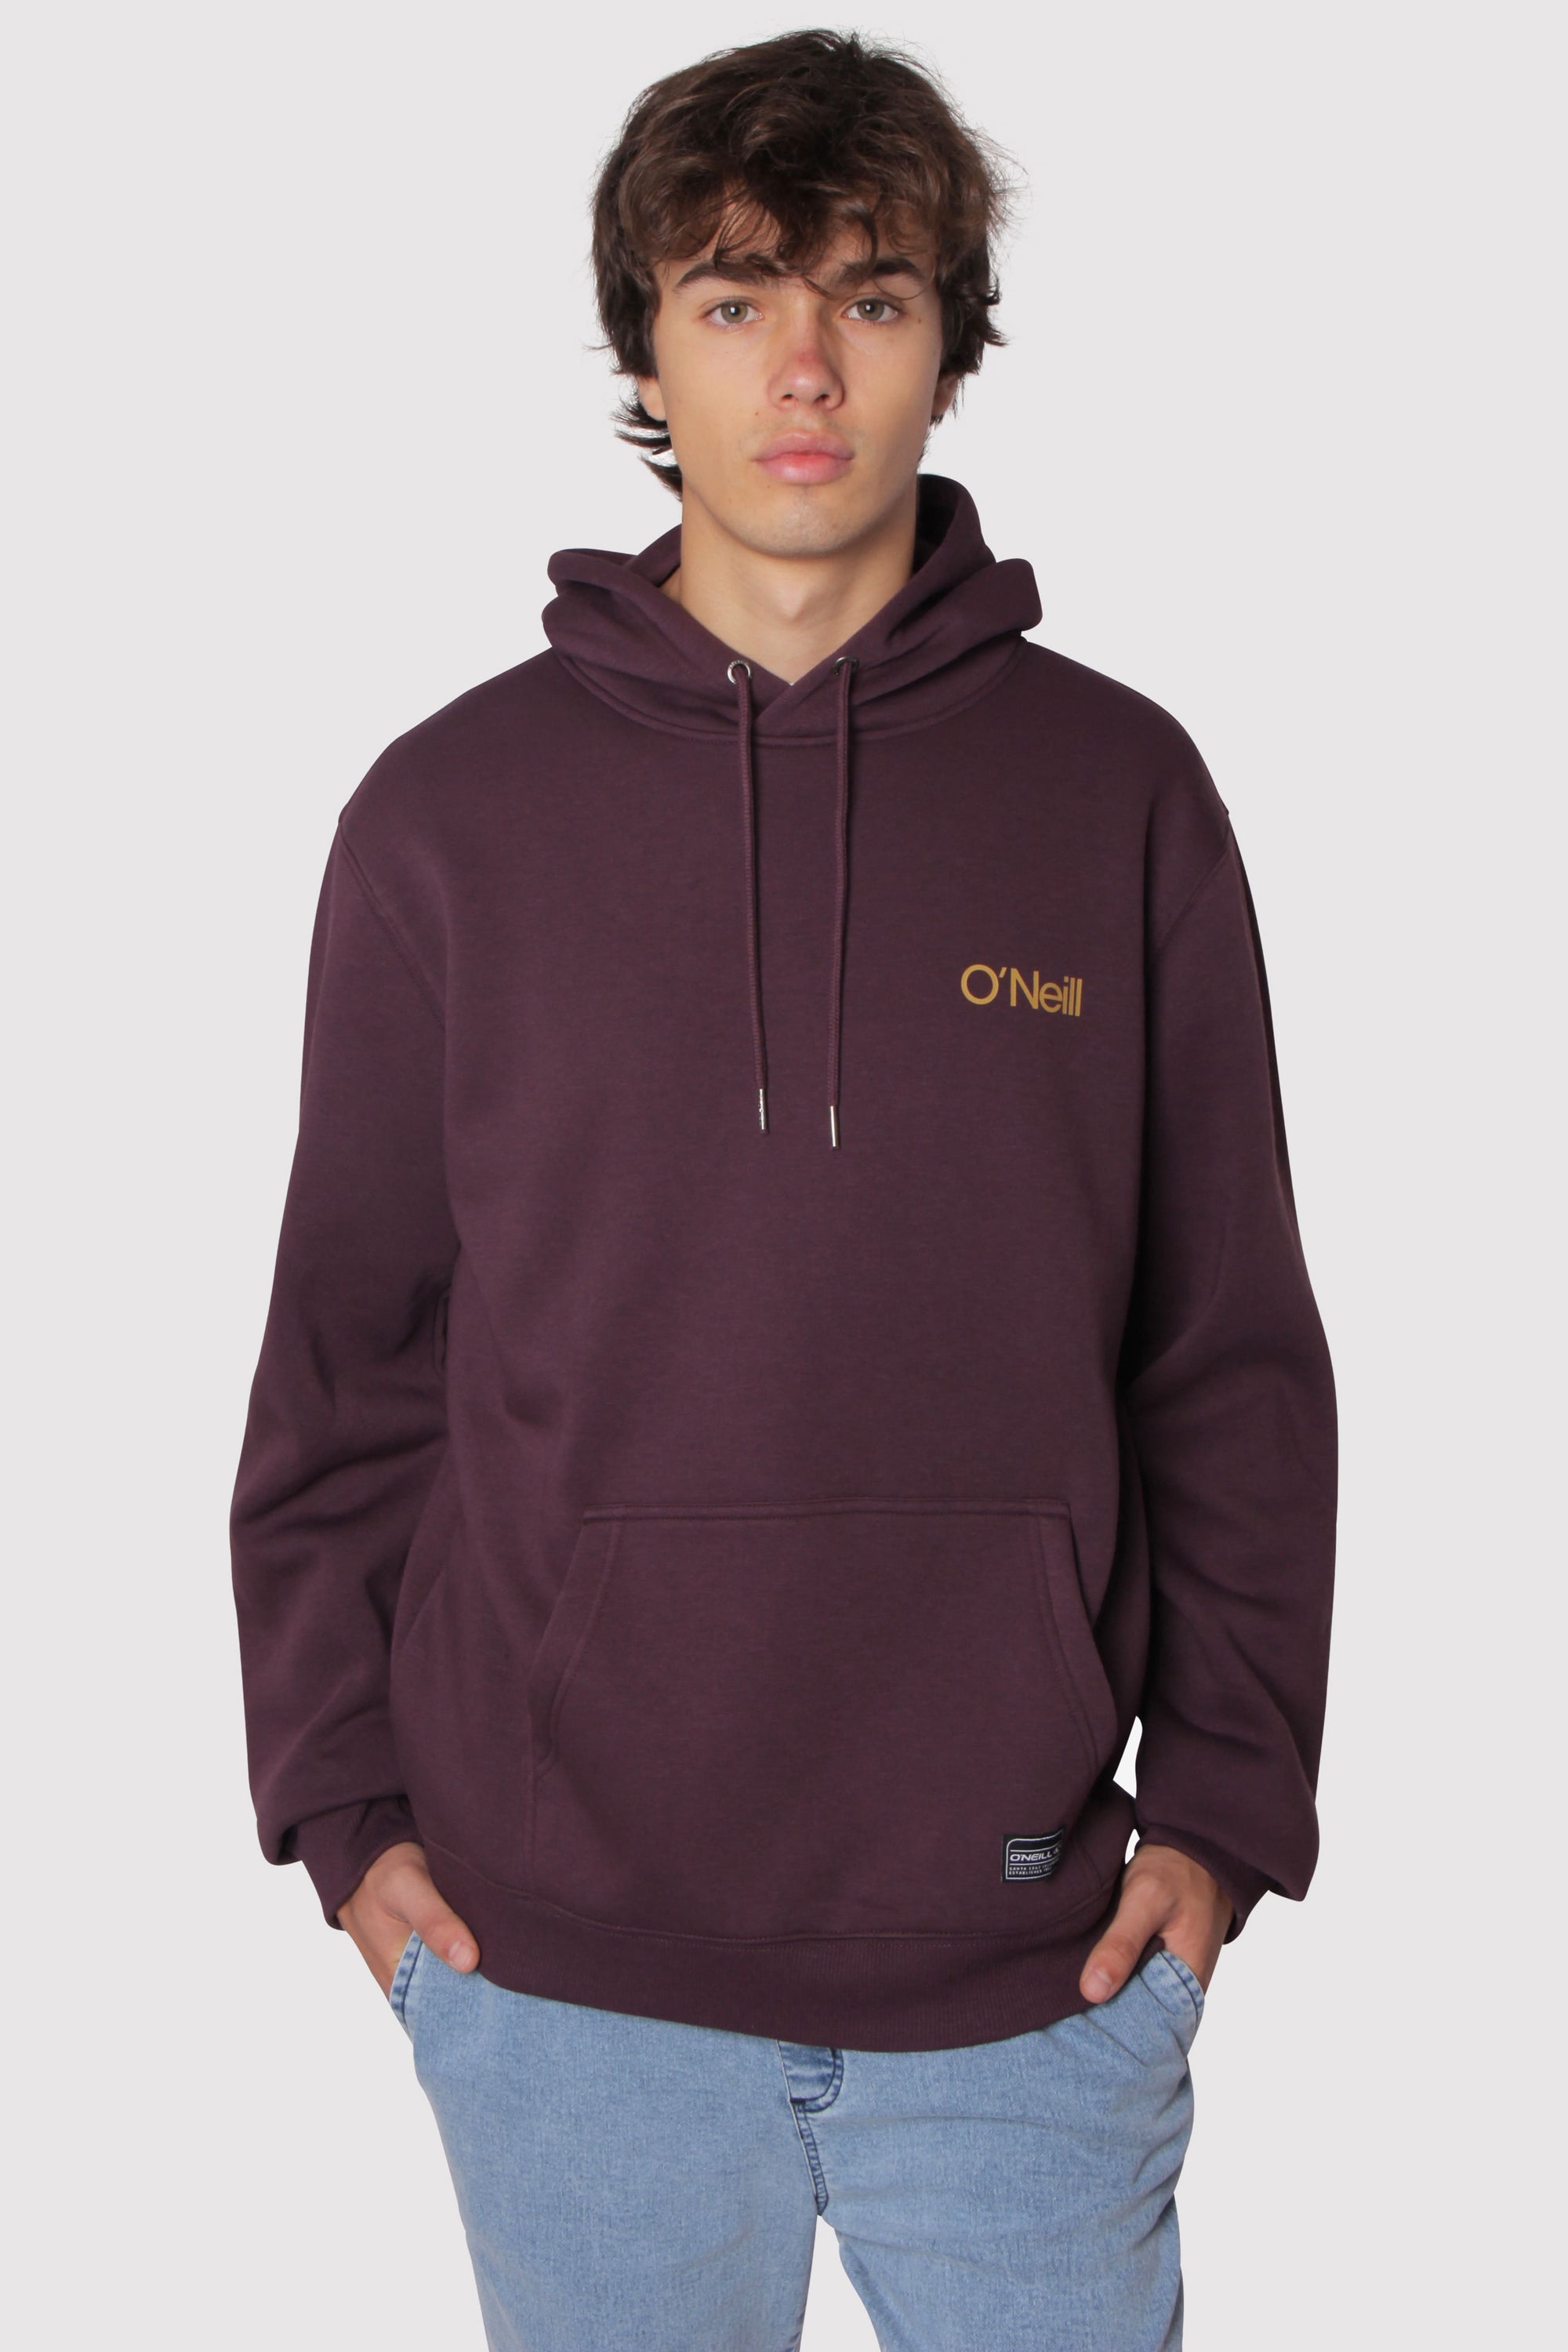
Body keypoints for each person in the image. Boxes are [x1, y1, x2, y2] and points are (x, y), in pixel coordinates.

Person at [229, 27, 1337, 2350]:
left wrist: (1229, 1807)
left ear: (951, 346)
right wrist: (339, 1807)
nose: (805, 369)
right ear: (647, 350)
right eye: (735, 300)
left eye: (873, 295)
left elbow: (1228, 1354)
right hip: (557, 1977)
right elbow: (351, 1360)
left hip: (1036, 1970)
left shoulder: (1122, 796)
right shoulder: (447, 820)